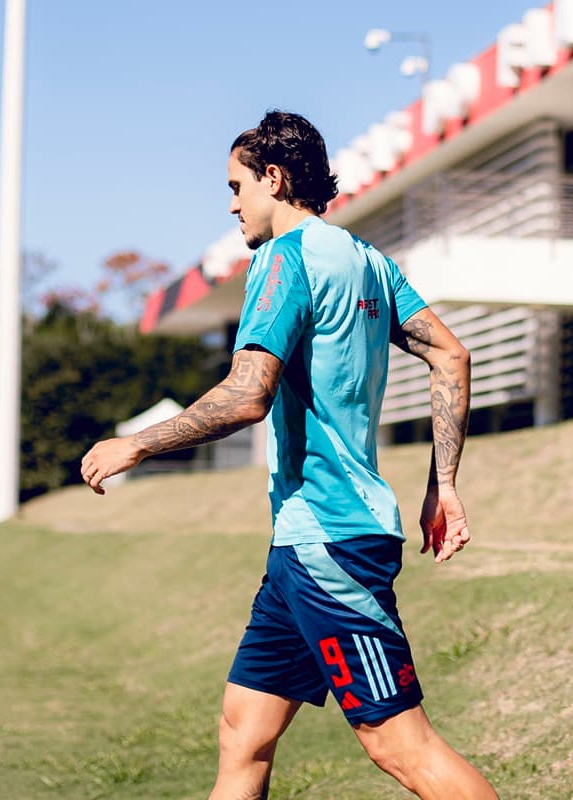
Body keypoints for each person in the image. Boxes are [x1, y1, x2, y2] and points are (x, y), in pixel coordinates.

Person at [81, 110, 497, 800]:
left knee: (400, 745)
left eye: (237, 185)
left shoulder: (283, 259)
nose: (232, 202)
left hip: (329, 545)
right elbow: (451, 355)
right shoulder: (366, 258)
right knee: (242, 731)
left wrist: (137, 444)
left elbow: (248, 395)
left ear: (274, 178)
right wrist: (442, 484)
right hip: (303, 544)